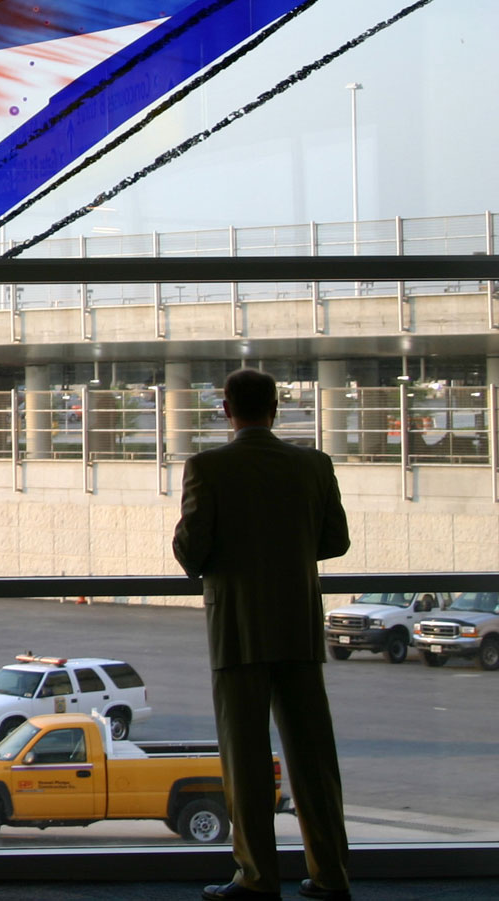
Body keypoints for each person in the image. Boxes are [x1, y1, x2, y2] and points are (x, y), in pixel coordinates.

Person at [173, 369, 352, 901]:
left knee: (246, 761)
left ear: (227, 410)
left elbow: (191, 553)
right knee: (314, 760)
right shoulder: (314, 465)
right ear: (276, 408)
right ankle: (330, 875)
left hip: (237, 629)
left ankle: (256, 877)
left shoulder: (207, 467)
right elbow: (335, 541)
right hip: (296, 625)